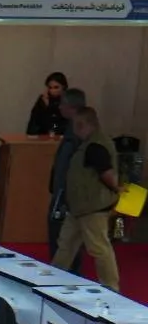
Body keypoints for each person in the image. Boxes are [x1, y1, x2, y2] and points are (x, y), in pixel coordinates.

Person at [54, 106, 121, 292]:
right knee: (66, 245)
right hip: (80, 207)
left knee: (99, 248)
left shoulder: (95, 146)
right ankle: (53, 277)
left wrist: (117, 189)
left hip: (92, 207)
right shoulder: (91, 143)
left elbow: (107, 173)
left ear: (82, 125)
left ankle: (112, 288)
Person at [48, 87, 88, 258]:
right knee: (66, 239)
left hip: (66, 194)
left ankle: (63, 270)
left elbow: (67, 165)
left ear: (72, 107)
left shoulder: (76, 132)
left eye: (62, 104)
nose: (59, 107)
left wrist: (61, 193)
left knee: (62, 237)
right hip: (65, 192)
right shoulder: (75, 128)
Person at [27, 71, 70, 138]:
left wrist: (50, 108)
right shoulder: (43, 99)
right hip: (42, 137)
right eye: (50, 87)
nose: (53, 90)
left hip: (62, 136)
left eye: (56, 87)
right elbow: (34, 123)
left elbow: (60, 123)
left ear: (63, 87)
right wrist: (45, 107)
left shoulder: (69, 100)